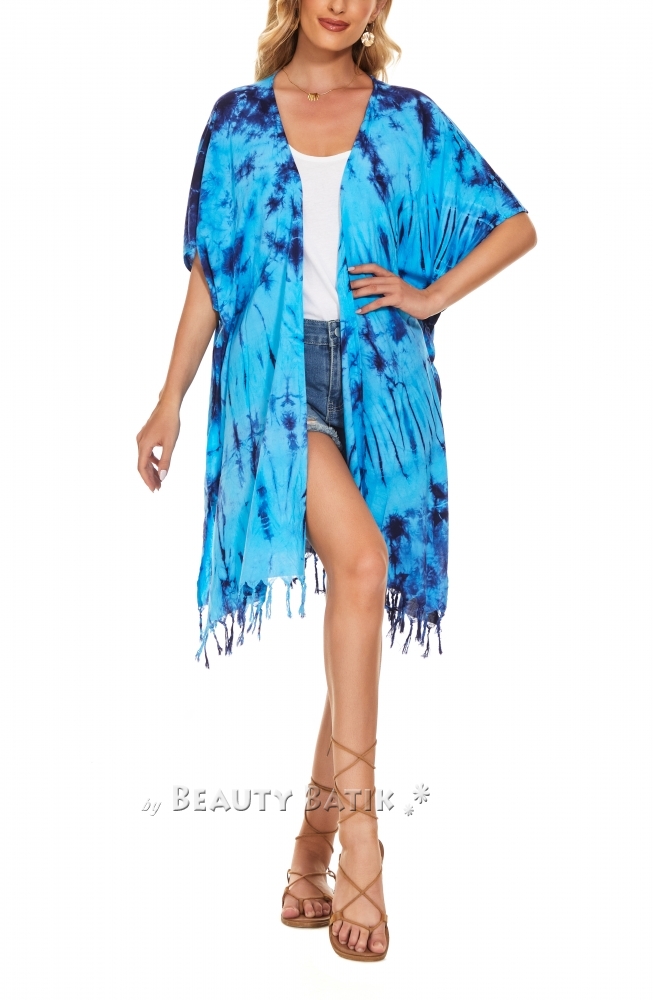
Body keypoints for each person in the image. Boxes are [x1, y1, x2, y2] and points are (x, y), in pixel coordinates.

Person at [136, 0, 536, 962]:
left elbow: (514, 225)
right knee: (361, 567)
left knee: (357, 607)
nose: (339, 1)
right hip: (273, 384)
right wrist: (167, 400)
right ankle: (364, 845)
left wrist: (429, 295)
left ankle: (307, 853)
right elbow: (211, 273)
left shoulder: (407, 118)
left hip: (385, 384)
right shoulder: (237, 118)